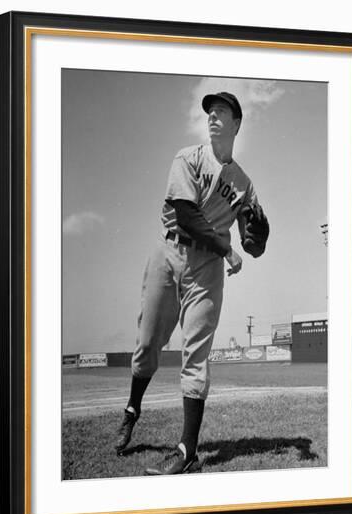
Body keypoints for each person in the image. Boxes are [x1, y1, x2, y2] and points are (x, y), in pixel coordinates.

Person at [115, 91, 269, 475]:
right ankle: (132, 410)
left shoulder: (244, 184)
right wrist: (226, 248)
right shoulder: (188, 157)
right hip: (168, 254)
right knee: (148, 344)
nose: (213, 116)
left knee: (196, 353)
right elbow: (184, 215)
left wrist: (259, 233)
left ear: (237, 124)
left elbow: (253, 246)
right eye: (210, 111)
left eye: (223, 112)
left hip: (207, 269)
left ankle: (187, 451)